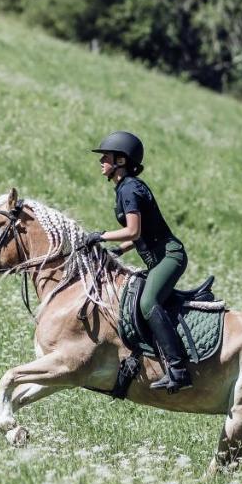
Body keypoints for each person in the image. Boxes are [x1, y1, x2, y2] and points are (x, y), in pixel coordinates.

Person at [85, 131, 192, 392]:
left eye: (106, 158)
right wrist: (119, 251)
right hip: (158, 258)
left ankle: (178, 371)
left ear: (120, 161)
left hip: (170, 256)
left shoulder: (130, 188)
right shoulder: (125, 187)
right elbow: (139, 235)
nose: (101, 162)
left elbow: (133, 230)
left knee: (147, 302)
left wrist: (100, 236)